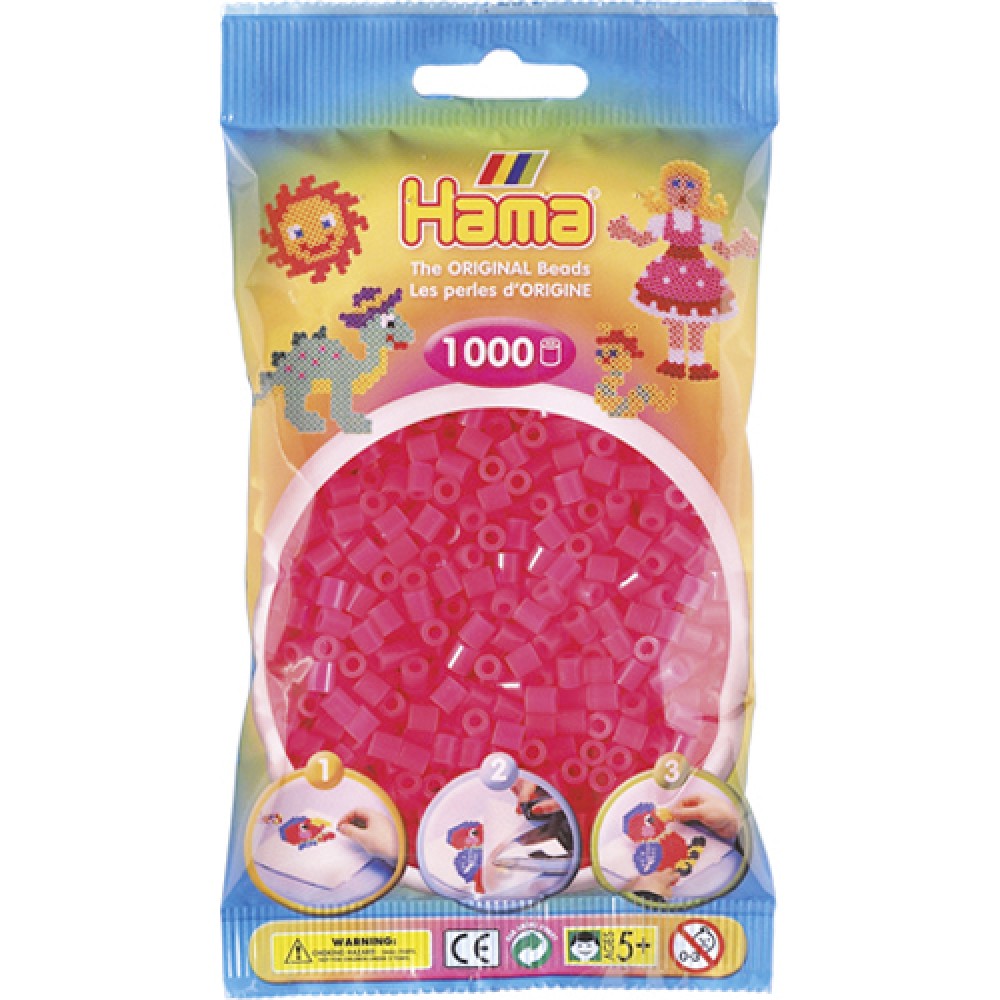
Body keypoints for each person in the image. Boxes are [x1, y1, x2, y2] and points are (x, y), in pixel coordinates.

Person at [608, 160, 758, 381]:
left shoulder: (706, 226)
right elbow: (644, 240)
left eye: (690, 186)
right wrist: (627, 232)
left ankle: (697, 363)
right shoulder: (661, 222)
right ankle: (676, 361)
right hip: (669, 274)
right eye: (675, 184)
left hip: (698, 276)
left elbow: (724, 251)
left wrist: (741, 246)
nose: (682, 191)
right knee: (674, 321)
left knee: (697, 322)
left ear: (701, 193)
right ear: (665, 189)